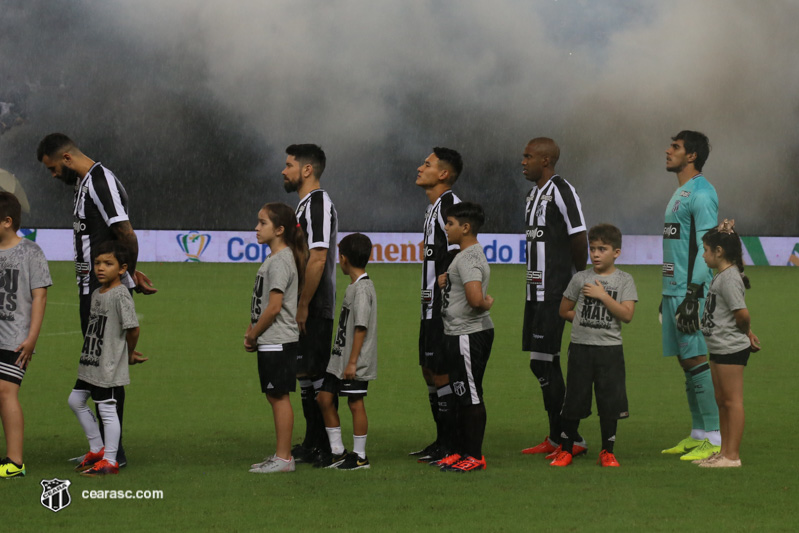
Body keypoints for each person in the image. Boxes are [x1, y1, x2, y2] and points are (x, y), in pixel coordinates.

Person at [37, 132, 156, 467]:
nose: (53, 175)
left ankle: (113, 454)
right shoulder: (84, 184)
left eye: (52, 168)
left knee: (107, 370)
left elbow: (125, 232)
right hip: (90, 287)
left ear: (66, 158)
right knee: (96, 366)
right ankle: (104, 447)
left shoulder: (100, 181)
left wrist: (127, 275)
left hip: (102, 291)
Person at [519, 137, 588, 457]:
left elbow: (579, 235)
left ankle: (571, 437)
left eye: (528, 156)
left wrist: (577, 280)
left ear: (545, 161)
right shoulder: (534, 194)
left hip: (555, 290)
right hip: (534, 293)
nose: (523, 161)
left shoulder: (562, 190)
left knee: (544, 362)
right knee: (540, 362)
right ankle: (557, 435)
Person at [660, 130, 722, 462]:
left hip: (690, 293)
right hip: (674, 291)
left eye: (675, 147)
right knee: (687, 362)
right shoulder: (680, 193)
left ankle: (714, 436)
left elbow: (707, 246)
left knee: (697, 359)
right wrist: (667, 293)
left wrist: (693, 293)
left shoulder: (702, 193)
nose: (667, 151)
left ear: (692, 155)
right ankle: (698, 433)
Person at [553, 224, 637, 468]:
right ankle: (566, 449)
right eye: (592, 248)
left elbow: (627, 315)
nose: (596, 254)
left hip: (610, 351)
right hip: (580, 348)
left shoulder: (624, 280)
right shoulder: (580, 278)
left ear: (616, 252)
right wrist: (581, 320)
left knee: (609, 403)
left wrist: (603, 297)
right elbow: (564, 310)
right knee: (574, 401)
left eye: (603, 249)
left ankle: (607, 451)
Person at [69, 241, 146, 477]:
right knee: (75, 400)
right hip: (91, 361)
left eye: (108, 263)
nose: (101, 268)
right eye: (97, 263)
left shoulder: (121, 295)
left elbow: (133, 328)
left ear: (122, 269)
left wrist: (129, 353)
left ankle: (110, 460)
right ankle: (97, 448)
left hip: (108, 366)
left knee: (107, 410)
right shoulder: (96, 293)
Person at [281, 143, 338, 463]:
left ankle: (327, 446)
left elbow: (318, 258)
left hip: (315, 305)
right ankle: (312, 441)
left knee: (316, 374)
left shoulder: (318, 204)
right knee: (305, 374)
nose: (283, 170)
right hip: (303, 303)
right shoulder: (304, 206)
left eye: (289, 165)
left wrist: (303, 304)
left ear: (307, 170)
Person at [410, 147, 462, 463]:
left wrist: (448, 285)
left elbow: (463, 251)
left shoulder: (451, 206)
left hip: (443, 309)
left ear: (443, 174)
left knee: (442, 373)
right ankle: (442, 440)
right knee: (429, 371)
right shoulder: (433, 208)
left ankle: (452, 443)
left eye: (426, 164)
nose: (420, 167)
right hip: (428, 306)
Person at [247, 203, 307, 474]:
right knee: (275, 395)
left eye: (263, 223)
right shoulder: (277, 258)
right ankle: (281, 455)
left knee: (279, 396)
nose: (257, 228)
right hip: (272, 339)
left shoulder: (282, 260)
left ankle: (284, 459)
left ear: (280, 229)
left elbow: (274, 307)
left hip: (278, 338)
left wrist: (253, 333)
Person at [434, 202, 494, 473]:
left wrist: (487, 302)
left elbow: (475, 299)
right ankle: (460, 451)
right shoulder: (464, 255)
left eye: (450, 223)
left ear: (465, 227)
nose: (446, 228)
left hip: (468, 335)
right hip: (458, 334)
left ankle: (474, 455)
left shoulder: (469, 258)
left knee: (469, 395)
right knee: (462, 393)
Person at [696, 219, 760, 468]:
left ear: (718, 252)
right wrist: (748, 332)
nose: (703, 255)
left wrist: (746, 333)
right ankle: (723, 452)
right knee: (722, 401)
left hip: (731, 349)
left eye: (705, 250)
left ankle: (732, 456)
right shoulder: (722, 276)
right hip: (719, 347)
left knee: (732, 401)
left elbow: (742, 314)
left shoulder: (730, 278)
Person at [0, 192, 51, 478]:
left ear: (7, 221)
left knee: (6, 392)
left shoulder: (31, 252)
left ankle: (15, 463)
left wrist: (31, 339)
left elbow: (39, 296)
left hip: (15, 338)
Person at [316, 233, 377, 470]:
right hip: (339, 359)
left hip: (353, 361)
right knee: (324, 398)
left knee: (355, 402)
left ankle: (360, 456)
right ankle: (338, 452)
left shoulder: (362, 289)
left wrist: (353, 362)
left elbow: (360, 327)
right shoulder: (355, 286)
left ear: (343, 259)